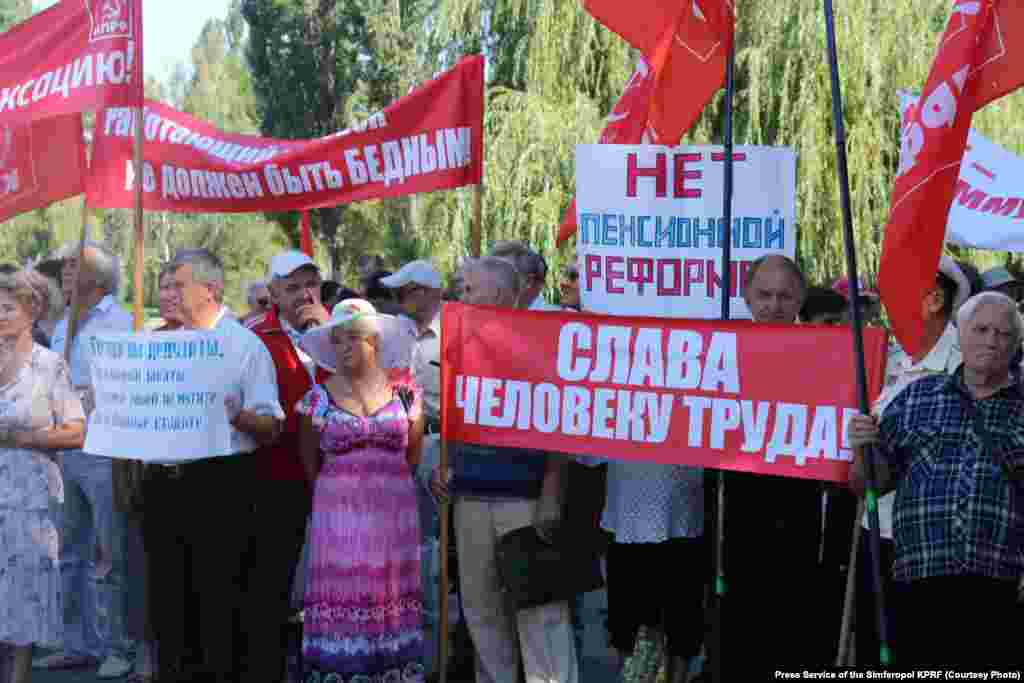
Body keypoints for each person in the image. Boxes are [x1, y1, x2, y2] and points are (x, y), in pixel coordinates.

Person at [849, 292, 1024, 667]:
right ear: (960, 335)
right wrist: (864, 449)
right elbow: (870, 485)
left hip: (1000, 581)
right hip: (919, 574)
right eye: (981, 329)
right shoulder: (915, 398)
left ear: (1016, 344)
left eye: (1003, 334)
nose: (991, 341)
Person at [431, 256, 578, 683]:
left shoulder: (542, 345)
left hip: (526, 498)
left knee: (539, 611)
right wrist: (444, 466)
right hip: (471, 496)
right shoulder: (458, 347)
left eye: (469, 290)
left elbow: (561, 423)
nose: (461, 297)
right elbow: (455, 420)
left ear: (496, 294)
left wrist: (553, 491)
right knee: (482, 610)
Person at [143, 249, 284, 683]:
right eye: (163, 286)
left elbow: (272, 426)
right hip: (162, 486)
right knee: (167, 602)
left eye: (176, 286)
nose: (165, 295)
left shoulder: (243, 347)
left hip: (220, 484)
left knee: (218, 600)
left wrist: (236, 415)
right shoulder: (153, 342)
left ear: (211, 289)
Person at [296, 299, 426, 682]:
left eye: (353, 338)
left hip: (394, 517)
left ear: (375, 342)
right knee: (343, 591)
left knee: (390, 593)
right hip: (338, 518)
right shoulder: (316, 397)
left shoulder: (406, 395)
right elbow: (308, 462)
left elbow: (413, 456)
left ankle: (393, 671)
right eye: (337, 340)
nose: (344, 347)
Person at [847, 256, 969, 666]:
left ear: (933, 299)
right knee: (874, 651)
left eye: (899, 289)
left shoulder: (969, 366)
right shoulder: (881, 358)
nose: (885, 300)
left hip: (940, 543)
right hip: (875, 530)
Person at [719, 254, 833, 670]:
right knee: (736, 620)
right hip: (732, 502)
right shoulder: (723, 349)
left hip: (799, 504)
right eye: (764, 295)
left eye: (785, 296)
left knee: (793, 619)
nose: (773, 305)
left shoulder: (827, 353)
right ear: (747, 296)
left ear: (800, 298)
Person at [36, 242, 134, 679]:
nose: (65, 274)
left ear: (99, 275)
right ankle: (79, 642)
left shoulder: (120, 322)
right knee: (69, 553)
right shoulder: (63, 325)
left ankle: (122, 646)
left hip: (106, 449)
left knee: (113, 555)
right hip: (67, 449)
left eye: (74, 266)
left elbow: (124, 385)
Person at [242, 251, 330, 683]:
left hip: (340, 479)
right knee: (272, 585)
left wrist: (327, 333)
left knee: (333, 587)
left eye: (309, 284)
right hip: (276, 477)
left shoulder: (341, 330)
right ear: (272, 293)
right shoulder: (254, 336)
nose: (303, 295)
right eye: (291, 287)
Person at [0, 271, 86, 683]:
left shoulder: (50, 365)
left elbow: (76, 430)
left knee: (23, 592)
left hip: (30, 497)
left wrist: (26, 438)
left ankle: (20, 676)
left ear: (31, 312)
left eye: (7, 308)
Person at [488, 241, 560, 310]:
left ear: (528, 281)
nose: (491, 282)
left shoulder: (561, 321)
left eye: (502, 275)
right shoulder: (488, 314)